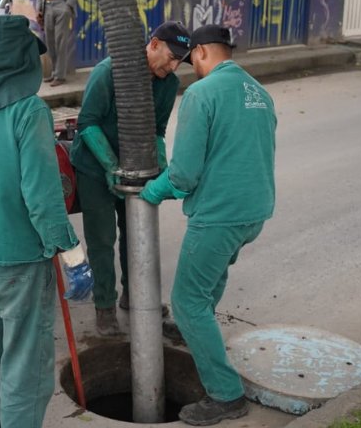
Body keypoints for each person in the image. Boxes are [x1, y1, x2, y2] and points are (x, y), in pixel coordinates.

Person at [0, 13, 93, 428]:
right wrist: (72, 255)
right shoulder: (29, 112)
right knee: (24, 375)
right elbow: (44, 199)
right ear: (20, 59)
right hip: (19, 265)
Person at [141, 24, 276, 425]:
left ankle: (225, 395)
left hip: (219, 215)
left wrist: (150, 192)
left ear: (200, 53)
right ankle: (194, 332)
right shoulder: (258, 92)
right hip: (254, 211)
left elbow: (183, 175)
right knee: (208, 283)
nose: (186, 66)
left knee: (187, 301)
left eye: (188, 59)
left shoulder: (201, 94)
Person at [71, 21, 191, 336]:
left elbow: (157, 132)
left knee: (136, 236)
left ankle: (134, 297)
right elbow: (88, 122)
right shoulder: (109, 72)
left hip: (137, 169)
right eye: (171, 56)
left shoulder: (168, 83)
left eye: (180, 60)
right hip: (95, 169)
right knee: (102, 238)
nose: (174, 64)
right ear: (153, 44)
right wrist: (110, 166)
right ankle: (105, 306)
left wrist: (162, 170)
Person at [34, 0, 79, 87]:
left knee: (61, 40)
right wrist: (39, 10)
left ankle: (60, 75)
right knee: (50, 42)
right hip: (47, 5)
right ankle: (54, 72)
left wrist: (68, 5)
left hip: (62, 3)